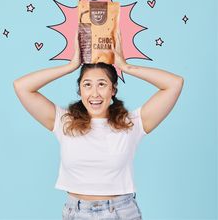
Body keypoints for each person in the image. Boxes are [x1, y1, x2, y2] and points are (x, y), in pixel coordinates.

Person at [13, 31, 184, 219]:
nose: (94, 93)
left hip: (121, 212)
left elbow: (174, 84)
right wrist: (70, 66)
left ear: (113, 90)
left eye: (102, 84)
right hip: (76, 213)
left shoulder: (131, 124)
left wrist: (125, 66)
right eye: (87, 84)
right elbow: (22, 87)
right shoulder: (65, 123)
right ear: (80, 90)